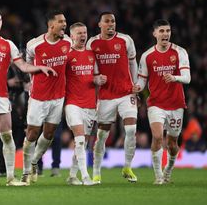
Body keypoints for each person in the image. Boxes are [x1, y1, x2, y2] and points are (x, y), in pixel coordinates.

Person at [0, 6, 56, 187]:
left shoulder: (8, 44)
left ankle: (10, 178)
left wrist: (40, 68)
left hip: (1, 96)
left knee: (7, 137)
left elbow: (22, 66)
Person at [133, 19, 191, 184]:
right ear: (155, 33)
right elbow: (143, 81)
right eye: (162, 31)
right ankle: (158, 177)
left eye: (168, 31)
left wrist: (174, 77)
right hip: (156, 103)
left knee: (172, 144)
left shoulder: (180, 52)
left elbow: (187, 78)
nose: (165, 34)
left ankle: (168, 171)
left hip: (176, 103)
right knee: (158, 137)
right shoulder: (147, 56)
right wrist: (137, 87)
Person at [86, 12, 138, 184]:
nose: (111, 24)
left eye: (113, 21)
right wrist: (95, 79)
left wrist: (136, 85)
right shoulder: (92, 43)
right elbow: (88, 67)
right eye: (107, 21)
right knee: (101, 135)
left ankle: (127, 167)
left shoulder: (125, 40)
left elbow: (132, 63)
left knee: (131, 130)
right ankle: (97, 172)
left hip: (125, 92)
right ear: (99, 24)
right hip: (106, 95)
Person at [21, 10, 71, 185]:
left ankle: (34, 161)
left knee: (49, 133)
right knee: (32, 133)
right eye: (61, 22)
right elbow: (27, 65)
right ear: (51, 25)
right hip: (38, 97)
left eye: (65, 21)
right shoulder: (34, 45)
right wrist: (34, 78)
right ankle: (26, 171)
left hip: (58, 97)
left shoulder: (68, 42)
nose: (65, 24)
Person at [65, 22, 107, 186]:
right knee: (80, 140)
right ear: (72, 36)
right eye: (79, 33)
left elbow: (95, 77)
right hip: (73, 103)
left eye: (84, 32)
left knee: (82, 142)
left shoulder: (91, 55)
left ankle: (72, 175)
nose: (82, 35)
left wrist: (98, 80)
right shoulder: (67, 55)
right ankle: (85, 177)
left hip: (90, 104)